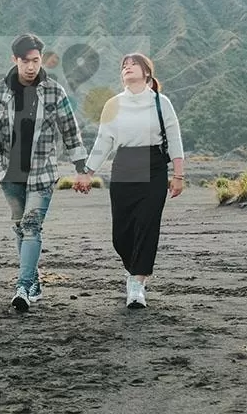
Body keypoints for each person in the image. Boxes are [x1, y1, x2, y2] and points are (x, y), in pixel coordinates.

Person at [0, 34, 89, 312]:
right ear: (14, 60)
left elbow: (70, 131)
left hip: (42, 173)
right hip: (10, 174)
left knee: (31, 227)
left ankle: (22, 288)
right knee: (20, 227)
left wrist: (81, 167)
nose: (31, 66)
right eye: (25, 61)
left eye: (36, 60)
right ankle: (34, 283)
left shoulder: (54, 91)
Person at [75, 52, 184, 309]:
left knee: (147, 225)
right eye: (124, 65)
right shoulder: (113, 104)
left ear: (147, 72)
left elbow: (175, 139)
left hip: (153, 166)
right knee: (121, 234)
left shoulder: (161, 102)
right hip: (124, 166)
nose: (128, 68)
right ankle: (133, 268)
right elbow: (103, 142)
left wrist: (178, 176)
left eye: (133, 64)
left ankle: (136, 285)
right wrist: (88, 173)